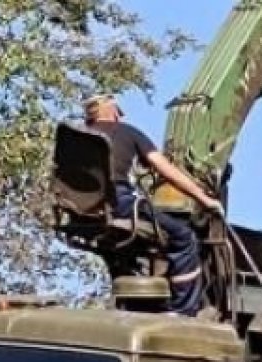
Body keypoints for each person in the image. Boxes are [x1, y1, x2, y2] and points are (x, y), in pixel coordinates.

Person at [82, 94, 223, 316]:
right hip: (118, 203)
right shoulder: (128, 132)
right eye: (118, 110)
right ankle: (183, 310)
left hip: (79, 209)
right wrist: (204, 199)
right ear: (111, 111)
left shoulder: (76, 135)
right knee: (184, 237)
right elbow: (166, 169)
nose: (121, 115)